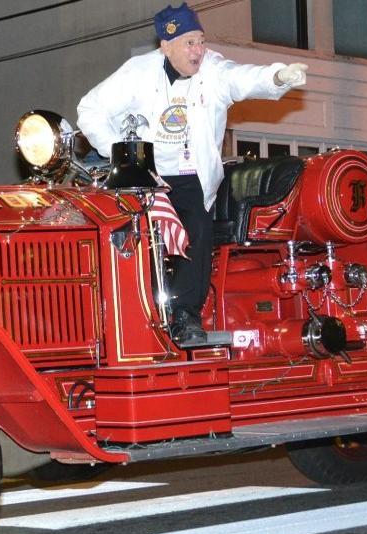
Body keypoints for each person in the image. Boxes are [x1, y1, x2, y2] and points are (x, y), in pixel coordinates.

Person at [77, 3, 307, 346]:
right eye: (188, 43)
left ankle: (186, 315)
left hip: (189, 174)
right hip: (144, 175)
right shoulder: (138, 73)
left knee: (197, 226)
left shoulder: (213, 71)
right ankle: (135, 311)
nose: (198, 50)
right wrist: (120, 153)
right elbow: (90, 109)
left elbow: (242, 77)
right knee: (134, 236)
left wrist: (277, 77)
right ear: (166, 46)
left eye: (200, 41)